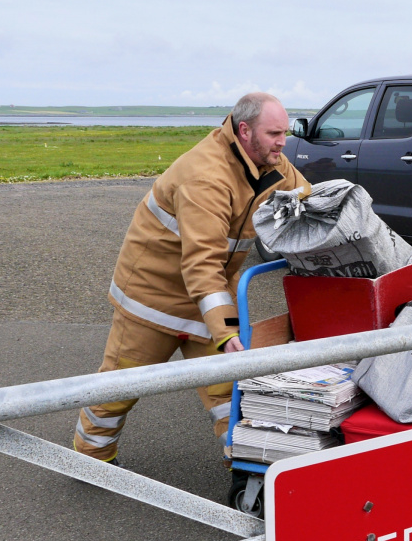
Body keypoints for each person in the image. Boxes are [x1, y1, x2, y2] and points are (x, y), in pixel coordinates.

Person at [71, 92, 309, 464]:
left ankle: (250, 466)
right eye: (274, 133)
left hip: (210, 300)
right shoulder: (205, 176)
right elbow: (202, 262)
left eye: (286, 132)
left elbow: (305, 198)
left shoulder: (270, 164)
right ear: (244, 131)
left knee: (229, 391)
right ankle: (91, 458)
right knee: (118, 388)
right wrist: (228, 332)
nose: (283, 141)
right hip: (153, 301)